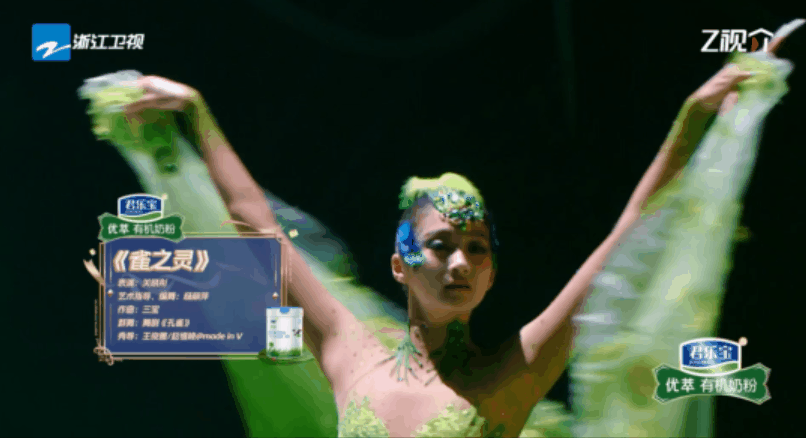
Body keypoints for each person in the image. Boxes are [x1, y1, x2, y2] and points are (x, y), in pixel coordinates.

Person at [81, 20, 802, 437]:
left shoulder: (512, 373)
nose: (460, 262)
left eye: (477, 249)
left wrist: (693, 120)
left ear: (491, 270)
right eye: (440, 245)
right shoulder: (347, 348)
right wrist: (197, 112)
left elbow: (625, 240)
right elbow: (257, 231)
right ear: (400, 264)